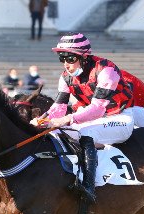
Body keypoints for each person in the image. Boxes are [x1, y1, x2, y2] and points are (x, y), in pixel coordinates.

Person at [30, 33, 136, 203]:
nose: (66, 63)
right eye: (62, 58)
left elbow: (97, 109)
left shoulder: (106, 70)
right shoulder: (65, 77)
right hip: (94, 120)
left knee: (86, 133)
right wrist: (41, 121)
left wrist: (66, 119)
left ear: (84, 57)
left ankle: (89, 187)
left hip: (120, 118)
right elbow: (58, 107)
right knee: (53, 133)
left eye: (70, 58)